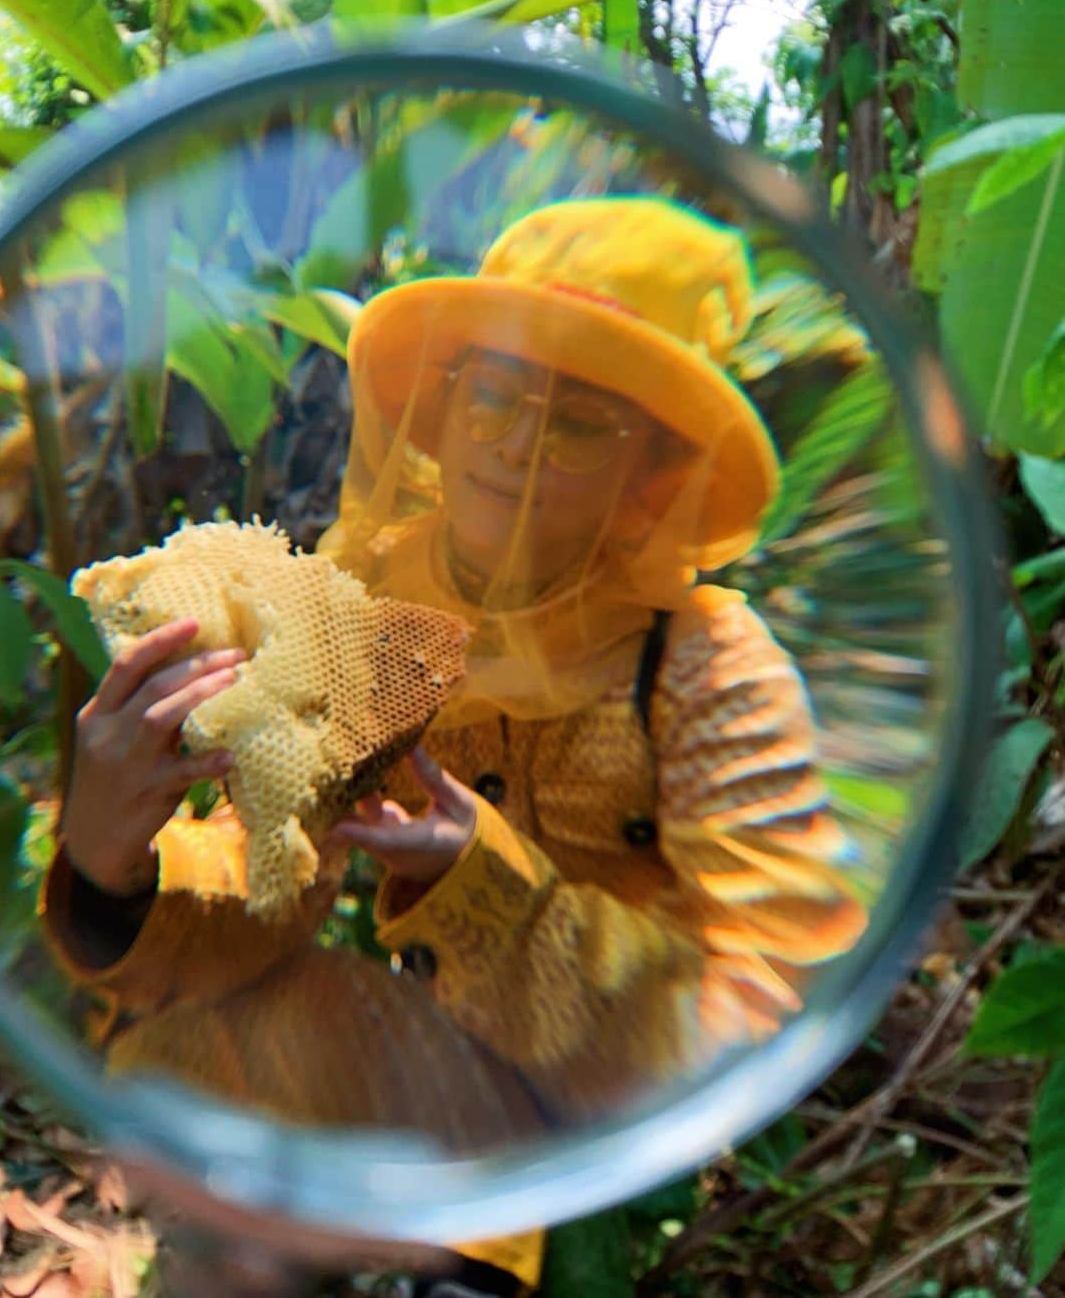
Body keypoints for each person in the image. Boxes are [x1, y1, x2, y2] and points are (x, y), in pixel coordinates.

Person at [45, 196, 867, 1292]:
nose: (518, 445)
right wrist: (113, 861)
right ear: (444, 403)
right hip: (416, 1074)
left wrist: (493, 891)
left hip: (607, 1121)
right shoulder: (381, 604)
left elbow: (766, 1010)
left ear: (657, 475)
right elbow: (275, 869)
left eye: (579, 422)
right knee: (220, 1073)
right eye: (497, 393)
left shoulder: (704, 663)